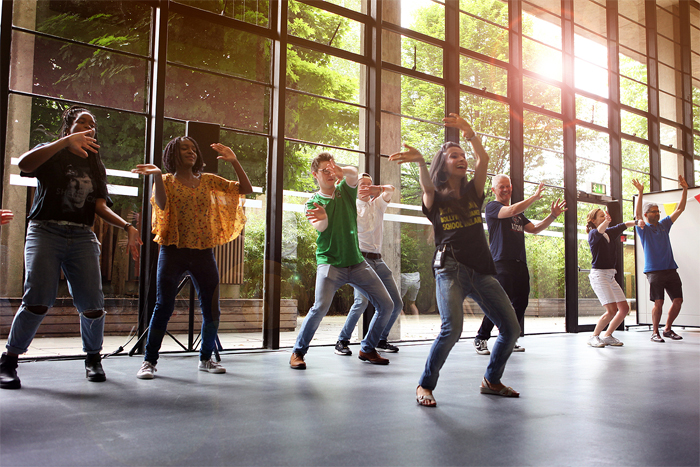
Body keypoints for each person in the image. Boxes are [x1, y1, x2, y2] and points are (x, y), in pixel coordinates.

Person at [0, 105, 142, 390]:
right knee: (38, 300)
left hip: (81, 236)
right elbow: (25, 165)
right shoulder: (52, 150)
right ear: (68, 129)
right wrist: (64, 143)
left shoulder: (94, 163)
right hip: (45, 230)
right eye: (82, 123)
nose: (89, 127)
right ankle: (9, 361)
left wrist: (127, 226)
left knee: (93, 305)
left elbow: (99, 205)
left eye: (92, 125)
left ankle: (93, 359)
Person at [390, 113, 520, 407]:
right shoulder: (435, 198)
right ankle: (425, 384)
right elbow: (426, 187)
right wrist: (422, 160)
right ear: (443, 164)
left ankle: (492, 380)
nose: (461, 159)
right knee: (453, 328)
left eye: (462, 155)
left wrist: (469, 131)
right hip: (450, 270)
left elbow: (483, 159)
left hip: (482, 271)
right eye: (453, 156)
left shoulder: (474, 193)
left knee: (511, 329)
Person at [131, 136, 252, 379]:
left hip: (203, 252)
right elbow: (163, 206)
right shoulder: (164, 180)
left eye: (194, 148)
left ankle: (206, 358)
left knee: (211, 309)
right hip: (172, 250)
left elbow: (245, 190)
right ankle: (149, 362)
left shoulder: (207, 181)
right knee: (163, 305)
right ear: (173, 154)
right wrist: (156, 175)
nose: (191, 152)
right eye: (185, 148)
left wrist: (235, 161)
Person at [290, 153, 394, 369]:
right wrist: (324, 218)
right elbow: (322, 227)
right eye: (324, 171)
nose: (329, 174)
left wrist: (342, 171)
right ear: (314, 175)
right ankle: (298, 352)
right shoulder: (313, 202)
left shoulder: (345, 192)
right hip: (330, 264)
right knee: (320, 307)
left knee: (387, 304)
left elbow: (354, 174)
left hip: (356, 263)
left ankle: (367, 348)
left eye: (332, 169)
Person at [474, 175, 566, 355]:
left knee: (521, 302)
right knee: (500, 302)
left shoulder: (518, 214)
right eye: (501, 187)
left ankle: (508, 338)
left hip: (519, 263)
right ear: (494, 190)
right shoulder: (493, 207)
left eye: (508, 186)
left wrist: (553, 216)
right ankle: (481, 337)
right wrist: (534, 197)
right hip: (501, 262)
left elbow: (535, 229)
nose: (506, 189)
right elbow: (510, 210)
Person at [334, 173, 402, 356]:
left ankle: (380, 339)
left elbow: (391, 189)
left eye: (368, 185)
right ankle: (342, 340)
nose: (365, 187)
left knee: (396, 303)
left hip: (378, 260)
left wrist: (377, 189)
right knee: (361, 301)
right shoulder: (352, 207)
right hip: (361, 259)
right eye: (361, 184)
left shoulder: (378, 205)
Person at [632, 176, 688, 343]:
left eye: (658, 211)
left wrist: (685, 189)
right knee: (659, 302)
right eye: (653, 212)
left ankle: (667, 329)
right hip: (654, 271)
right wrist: (640, 193)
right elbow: (636, 214)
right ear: (646, 214)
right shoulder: (643, 228)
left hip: (671, 269)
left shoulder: (664, 225)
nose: (657, 213)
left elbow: (680, 209)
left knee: (678, 300)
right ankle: (654, 332)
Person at [585, 209, 636, 347]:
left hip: (610, 276)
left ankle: (607, 335)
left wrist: (637, 222)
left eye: (605, 216)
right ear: (594, 221)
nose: (605, 217)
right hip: (599, 276)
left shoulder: (609, 233)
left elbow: (623, 225)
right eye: (601, 216)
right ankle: (594, 336)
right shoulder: (593, 234)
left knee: (624, 309)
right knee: (611, 310)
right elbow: (600, 230)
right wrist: (607, 221)